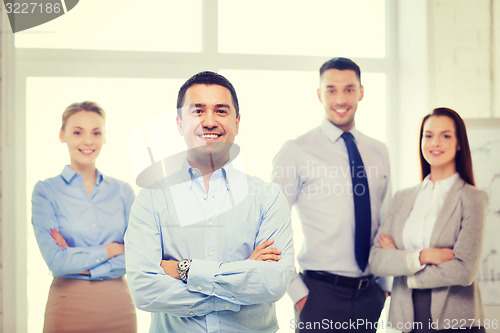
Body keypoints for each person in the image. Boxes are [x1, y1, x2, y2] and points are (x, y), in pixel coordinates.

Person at [125, 71, 294, 332]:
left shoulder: (268, 197)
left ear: (237, 123)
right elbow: (144, 291)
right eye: (198, 111)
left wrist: (184, 270)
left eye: (221, 111)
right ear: (180, 123)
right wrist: (243, 274)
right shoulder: (151, 197)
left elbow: (273, 283)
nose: (210, 121)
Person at [272, 57, 391, 332]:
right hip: (319, 296)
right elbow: (272, 224)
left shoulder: (379, 151)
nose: (341, 99)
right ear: (319, 94)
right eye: (331, 90)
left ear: (361, 92)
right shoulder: (297, 150)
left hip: (370, 295)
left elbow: (387, 218)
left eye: (349, 89)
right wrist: (298, 293)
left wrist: (385, 286)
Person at [370, 107, 488, 333]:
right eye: (428, 135)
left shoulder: (473, 198)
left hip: (456, 320)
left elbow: (464, 271)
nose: (435, 143)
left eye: (445, 136)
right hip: (406, 319)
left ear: (459, 143)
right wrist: (424, 256)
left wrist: (404, 267)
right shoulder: (402, 198)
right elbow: (376, 260)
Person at [31, 101, 137, 332]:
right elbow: (56, 261)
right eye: (78, 132)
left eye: (96, 132)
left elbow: (138, 255)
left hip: (118, 306)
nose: (88, 141)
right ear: (62, 135)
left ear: (104, 137)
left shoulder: (123, 191)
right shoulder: (46, 191)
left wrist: (75, 260)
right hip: (67, 305)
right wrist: (111, 249)